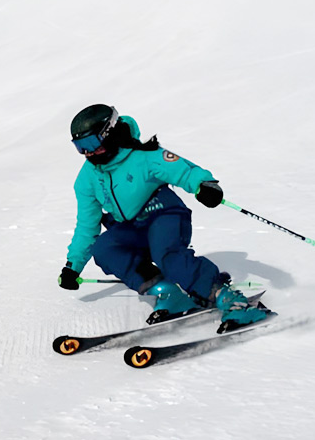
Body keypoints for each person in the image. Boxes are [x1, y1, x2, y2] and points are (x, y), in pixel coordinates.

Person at [58, 104, 267, 327]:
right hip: (131, 228)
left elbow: (183, 170)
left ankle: (229, 300)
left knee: (167, 254)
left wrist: (204, 184)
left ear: (109, 134)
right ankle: (169, 294)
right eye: (80, 147)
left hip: (164, 215)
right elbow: (86, 226)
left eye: (91, 144)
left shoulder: (144, 156)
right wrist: (73, 266)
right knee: (105, 248)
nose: (88, 153)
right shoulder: (87, 178)